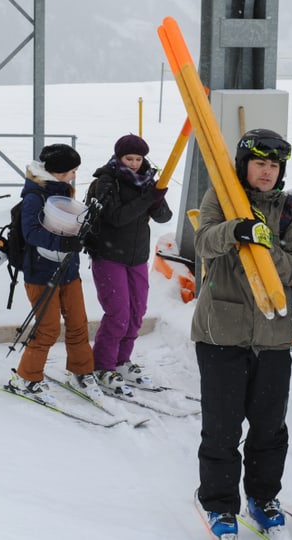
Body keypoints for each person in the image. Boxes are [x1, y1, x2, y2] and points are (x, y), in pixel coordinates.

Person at [191, 129, 292, 538]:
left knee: (269, 426)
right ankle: (220, 504)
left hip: (274, 336)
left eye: (274, 165)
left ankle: (263, 496)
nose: (267, 172)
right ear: (244, 165)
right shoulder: (220, 197)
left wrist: (267, 246)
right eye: (260, 163)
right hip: (221, 332)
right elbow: (203, 242)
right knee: (222, 427)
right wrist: (236, 230)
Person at [7, 144, 102, 403]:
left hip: (68, 270)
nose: (74, 175)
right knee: (48, 329)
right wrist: (63, 243)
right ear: (56, 172)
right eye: (70, 171)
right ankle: (26, 377)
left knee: (78, 324)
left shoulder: (62, 190)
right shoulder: (34, 197)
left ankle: (81, 372)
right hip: (40, 273)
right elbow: (31, 233)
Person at [86, 134, 172, 396]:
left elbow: (164, 216)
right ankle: (103, 366)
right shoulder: (106, 181)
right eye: (129, 158)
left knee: (136, 313)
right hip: (109, 255)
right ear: (118, 157)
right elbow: (116, 217)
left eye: (138, 158)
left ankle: (122, 361)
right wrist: (147, 199)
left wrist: (156, 197)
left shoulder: (147, 181)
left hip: (136, 257)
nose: (134, 163)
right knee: (118, 314)